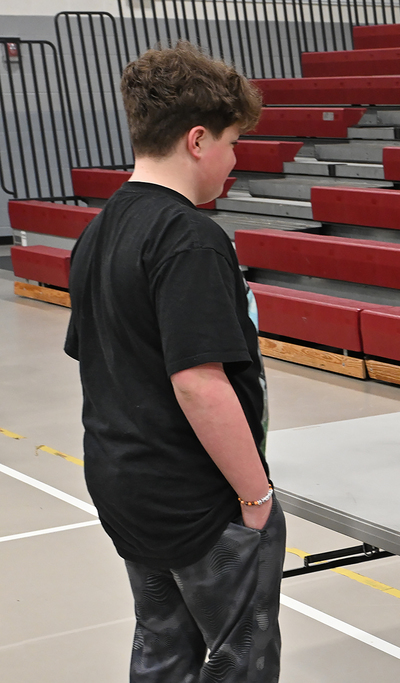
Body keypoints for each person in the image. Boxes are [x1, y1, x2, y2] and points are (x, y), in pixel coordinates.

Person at [64, 42, 286, 682]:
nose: (235, 160)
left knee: (164, 651)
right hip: (197, 497)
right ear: (197, 141)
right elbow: (198, 382)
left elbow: (100, 357)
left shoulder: (100, 228)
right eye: (232, 142)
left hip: (127, 484)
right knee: (239, 662)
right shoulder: (189, 237)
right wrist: (256, 494)